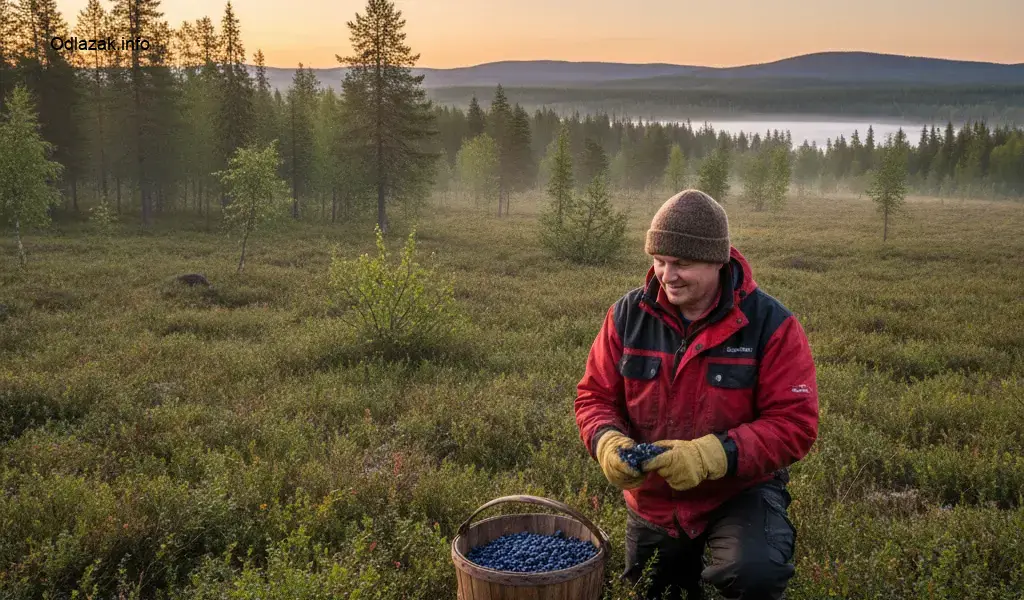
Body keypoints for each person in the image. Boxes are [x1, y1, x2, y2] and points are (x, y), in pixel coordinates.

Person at [574, 189, 819, 600]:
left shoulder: (770, 324)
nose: (667, 275)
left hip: (739, 492)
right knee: (655, 590)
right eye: (659, 261)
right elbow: (594, 397)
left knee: (754, 572)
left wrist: (710, 455)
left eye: (681, 264)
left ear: (717, 262)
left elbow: (794, 424)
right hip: (655, 497)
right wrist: (606, 442)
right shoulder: (626, 316)